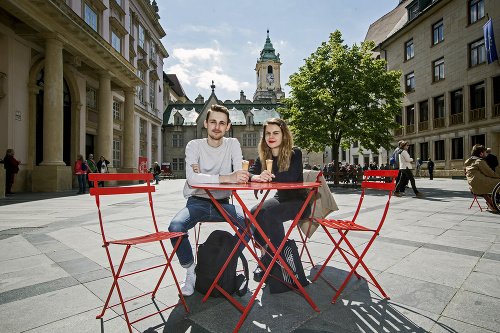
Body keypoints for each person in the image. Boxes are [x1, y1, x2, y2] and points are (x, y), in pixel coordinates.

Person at [167, 105, 249, 296]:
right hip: (197, 201)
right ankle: (191, 270)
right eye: (213, 122)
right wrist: (226, 177)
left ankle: (227, 262)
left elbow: (240, 174)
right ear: (205, 123)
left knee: (251, 223)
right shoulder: (194, 146)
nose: (217, 127)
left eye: (222, 123)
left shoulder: (233, 144)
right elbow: (193, 180)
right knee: (175, 227)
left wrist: (206, 176)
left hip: (223, 204)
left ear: (228, 126)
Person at [248, 118, 311, 281]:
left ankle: (272, 260)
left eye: (276, 133)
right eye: (268, 133)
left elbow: (290, 177)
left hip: (300, 201)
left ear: (284, 135)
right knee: (254, 213)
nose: (271, 136)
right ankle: (267, 253)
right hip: (280, 198)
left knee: (271, 215)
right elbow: (249, 174)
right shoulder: (264, 155)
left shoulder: (295, 152)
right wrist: (256, 176)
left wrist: (266, 178)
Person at [465, 144, 500, 212]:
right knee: (498, 183)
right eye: (485, 152)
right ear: (481, 153)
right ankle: (495, 201)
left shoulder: (471, 161)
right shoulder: (479, 161)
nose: (486, 153)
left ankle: (492, 201)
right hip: (480, 185)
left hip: (473, 186)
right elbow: (490, 173)